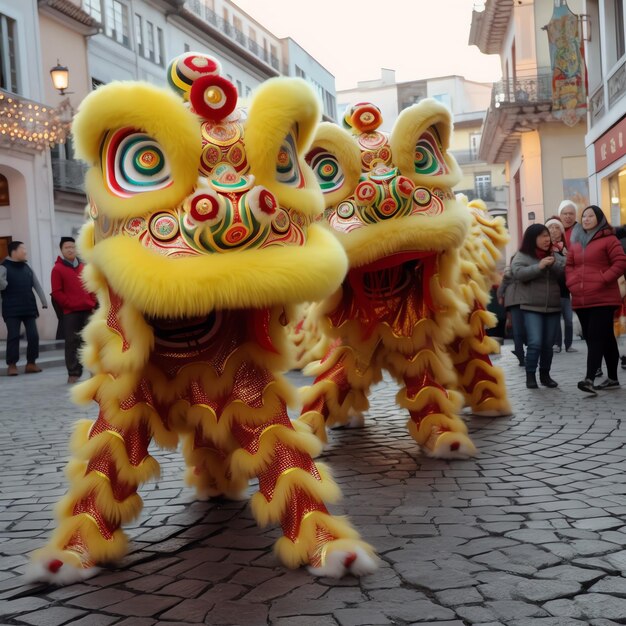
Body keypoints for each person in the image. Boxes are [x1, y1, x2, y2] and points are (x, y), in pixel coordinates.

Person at [566, 205, 626, 395]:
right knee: (606, 337)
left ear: (599, 219)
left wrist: (604, 278)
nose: (586, 219)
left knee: (594, 337)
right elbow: (569, 265)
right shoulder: (576, 242)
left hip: (603, 297)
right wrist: (572, 283)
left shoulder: (609, 239)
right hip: (582, 298)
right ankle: (613, 379)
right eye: (584, 216)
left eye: (590, 216)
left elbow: (620, 262)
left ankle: (589, 378)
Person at [511, 224, 565, 389]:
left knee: (548, 344)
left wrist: (553, 263)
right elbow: (518, 273)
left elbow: (565, 272)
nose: (546, 239)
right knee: (535, 342)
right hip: (531, 306)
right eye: (542, 236)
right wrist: (539, 266)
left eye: (547, 235)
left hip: (553, 306)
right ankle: (530, 375)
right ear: (532, 238)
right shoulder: (523, 255)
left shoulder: (555, 254)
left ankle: (545, 374)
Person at [51, 237, 97, 384]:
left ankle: (93, 369)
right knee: (71, 342)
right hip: (70, 313)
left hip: (87, 310)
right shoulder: (57, 269)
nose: (70, 250)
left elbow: (91, 286)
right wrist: (69, 304)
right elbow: (57, 292)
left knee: (90, 341)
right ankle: (73, 372)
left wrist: (93, 302)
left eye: (72, 247)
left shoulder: (84, 267)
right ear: (61, 250)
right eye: (67, 248)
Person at [0, 241, 48, 375]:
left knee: (33, 336)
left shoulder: (27, 267)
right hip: (11, 309)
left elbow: (36, 285)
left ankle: (31, 363)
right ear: (14, 251)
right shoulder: (3, 267)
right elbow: (2, 286)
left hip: (29, 307)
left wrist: (44, 301)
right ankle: (12, 365)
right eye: (22, 249)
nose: (25, 251)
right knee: (13, 336)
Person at [545, 216, 576, 353]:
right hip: (552, 289)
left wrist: (568, 256)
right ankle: (557, 344)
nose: (554, 230)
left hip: (565, 290)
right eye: (551, 227)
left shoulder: (566, 249)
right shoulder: (546, 249)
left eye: (557, 227)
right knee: (556, 320)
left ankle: (568, 345)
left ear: (561, 231)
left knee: (569, 319)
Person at [497, 257, 527, 366]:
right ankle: (520, 353)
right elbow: (501, 289)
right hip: (518, 302)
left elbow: (501, 289)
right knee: (520, 331)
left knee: (518, 331)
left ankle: (520, 353)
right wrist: (500, 297)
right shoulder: (514, 273)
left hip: (516, 302)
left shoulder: (509, 274)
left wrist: (500, 297)